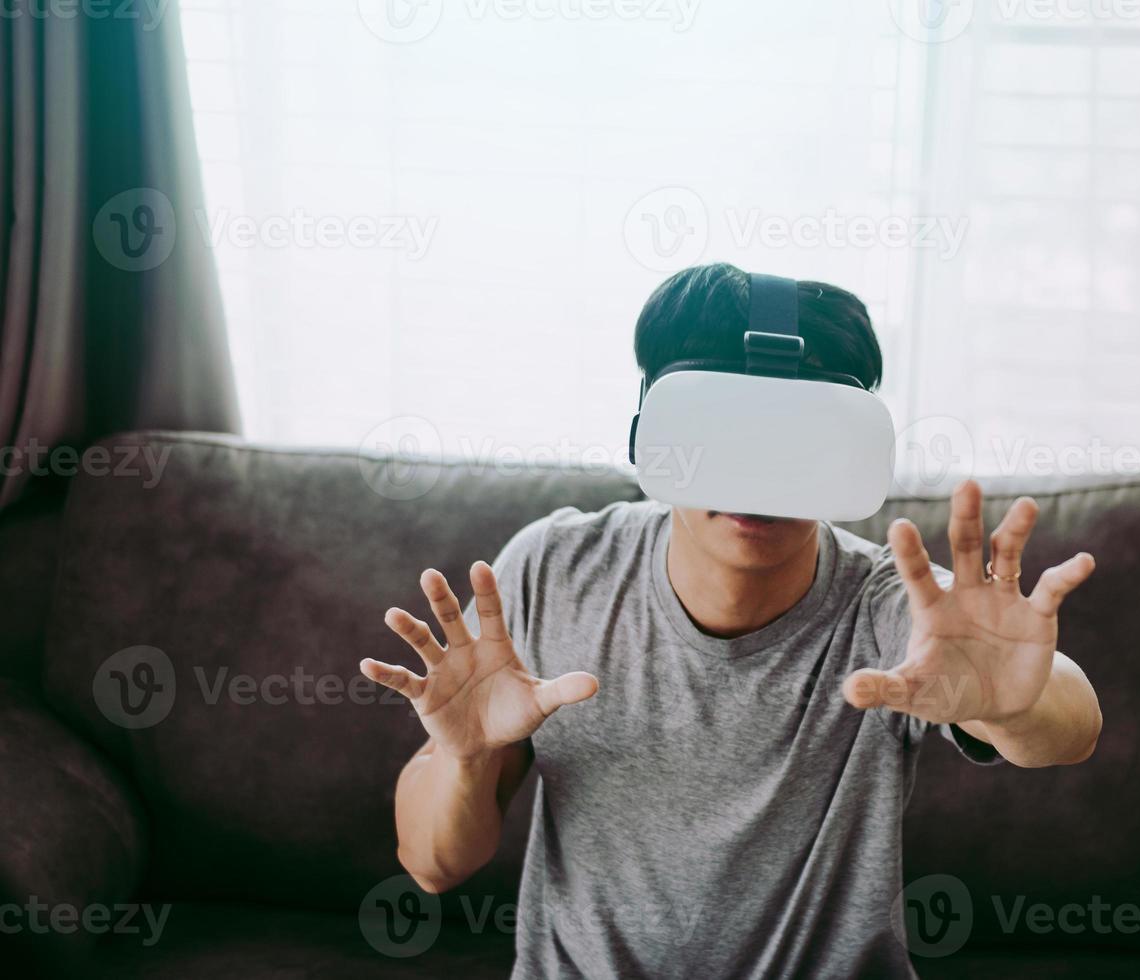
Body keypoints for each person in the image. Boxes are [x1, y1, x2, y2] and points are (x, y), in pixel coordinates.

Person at [359, 263, 1102, 978]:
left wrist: (1016, 702)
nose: (757, 479)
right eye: (724, 434)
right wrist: (462, 759)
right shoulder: (554, 570)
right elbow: (431, 865)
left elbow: (1072, 726)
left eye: (795, 441)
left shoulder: (897, 605)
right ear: (649, 435)